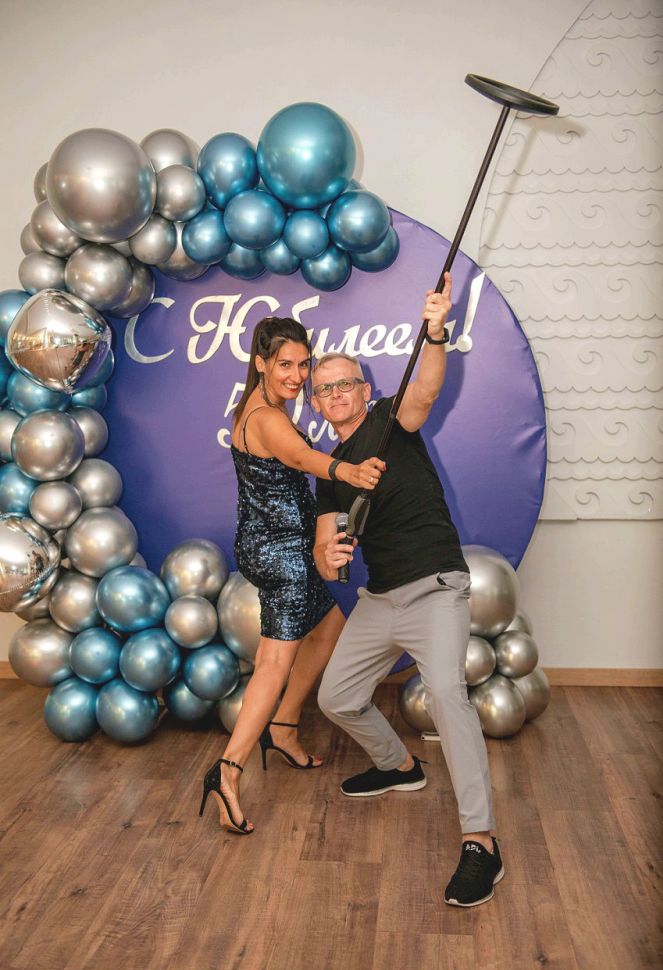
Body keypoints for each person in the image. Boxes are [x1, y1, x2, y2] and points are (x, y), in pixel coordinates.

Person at [312, 277, 503, 906]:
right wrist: (329, 555)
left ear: (364, 391)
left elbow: (425, 390)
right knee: (336, 697)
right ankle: (399, 766)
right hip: (381, 600)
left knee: (447, 694)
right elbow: (324, 551)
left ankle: (481, 842)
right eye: (324, 389)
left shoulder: (390, 420)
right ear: (316, 404)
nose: (336, 394)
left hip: (435, 587)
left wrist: (435, 332)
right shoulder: (329, 472)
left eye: (345, 383)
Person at [199, 315, 385, 835]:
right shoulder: (266, 418)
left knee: (330, 625)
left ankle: (283, 725)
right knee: (273, 663)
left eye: (304, 365)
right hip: (283, 555)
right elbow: (302, 457)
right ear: (261, 363)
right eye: (286, 364)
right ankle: (228, 770)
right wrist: (348, 470)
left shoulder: (255, 406)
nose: (298, 375)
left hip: (273, 545)